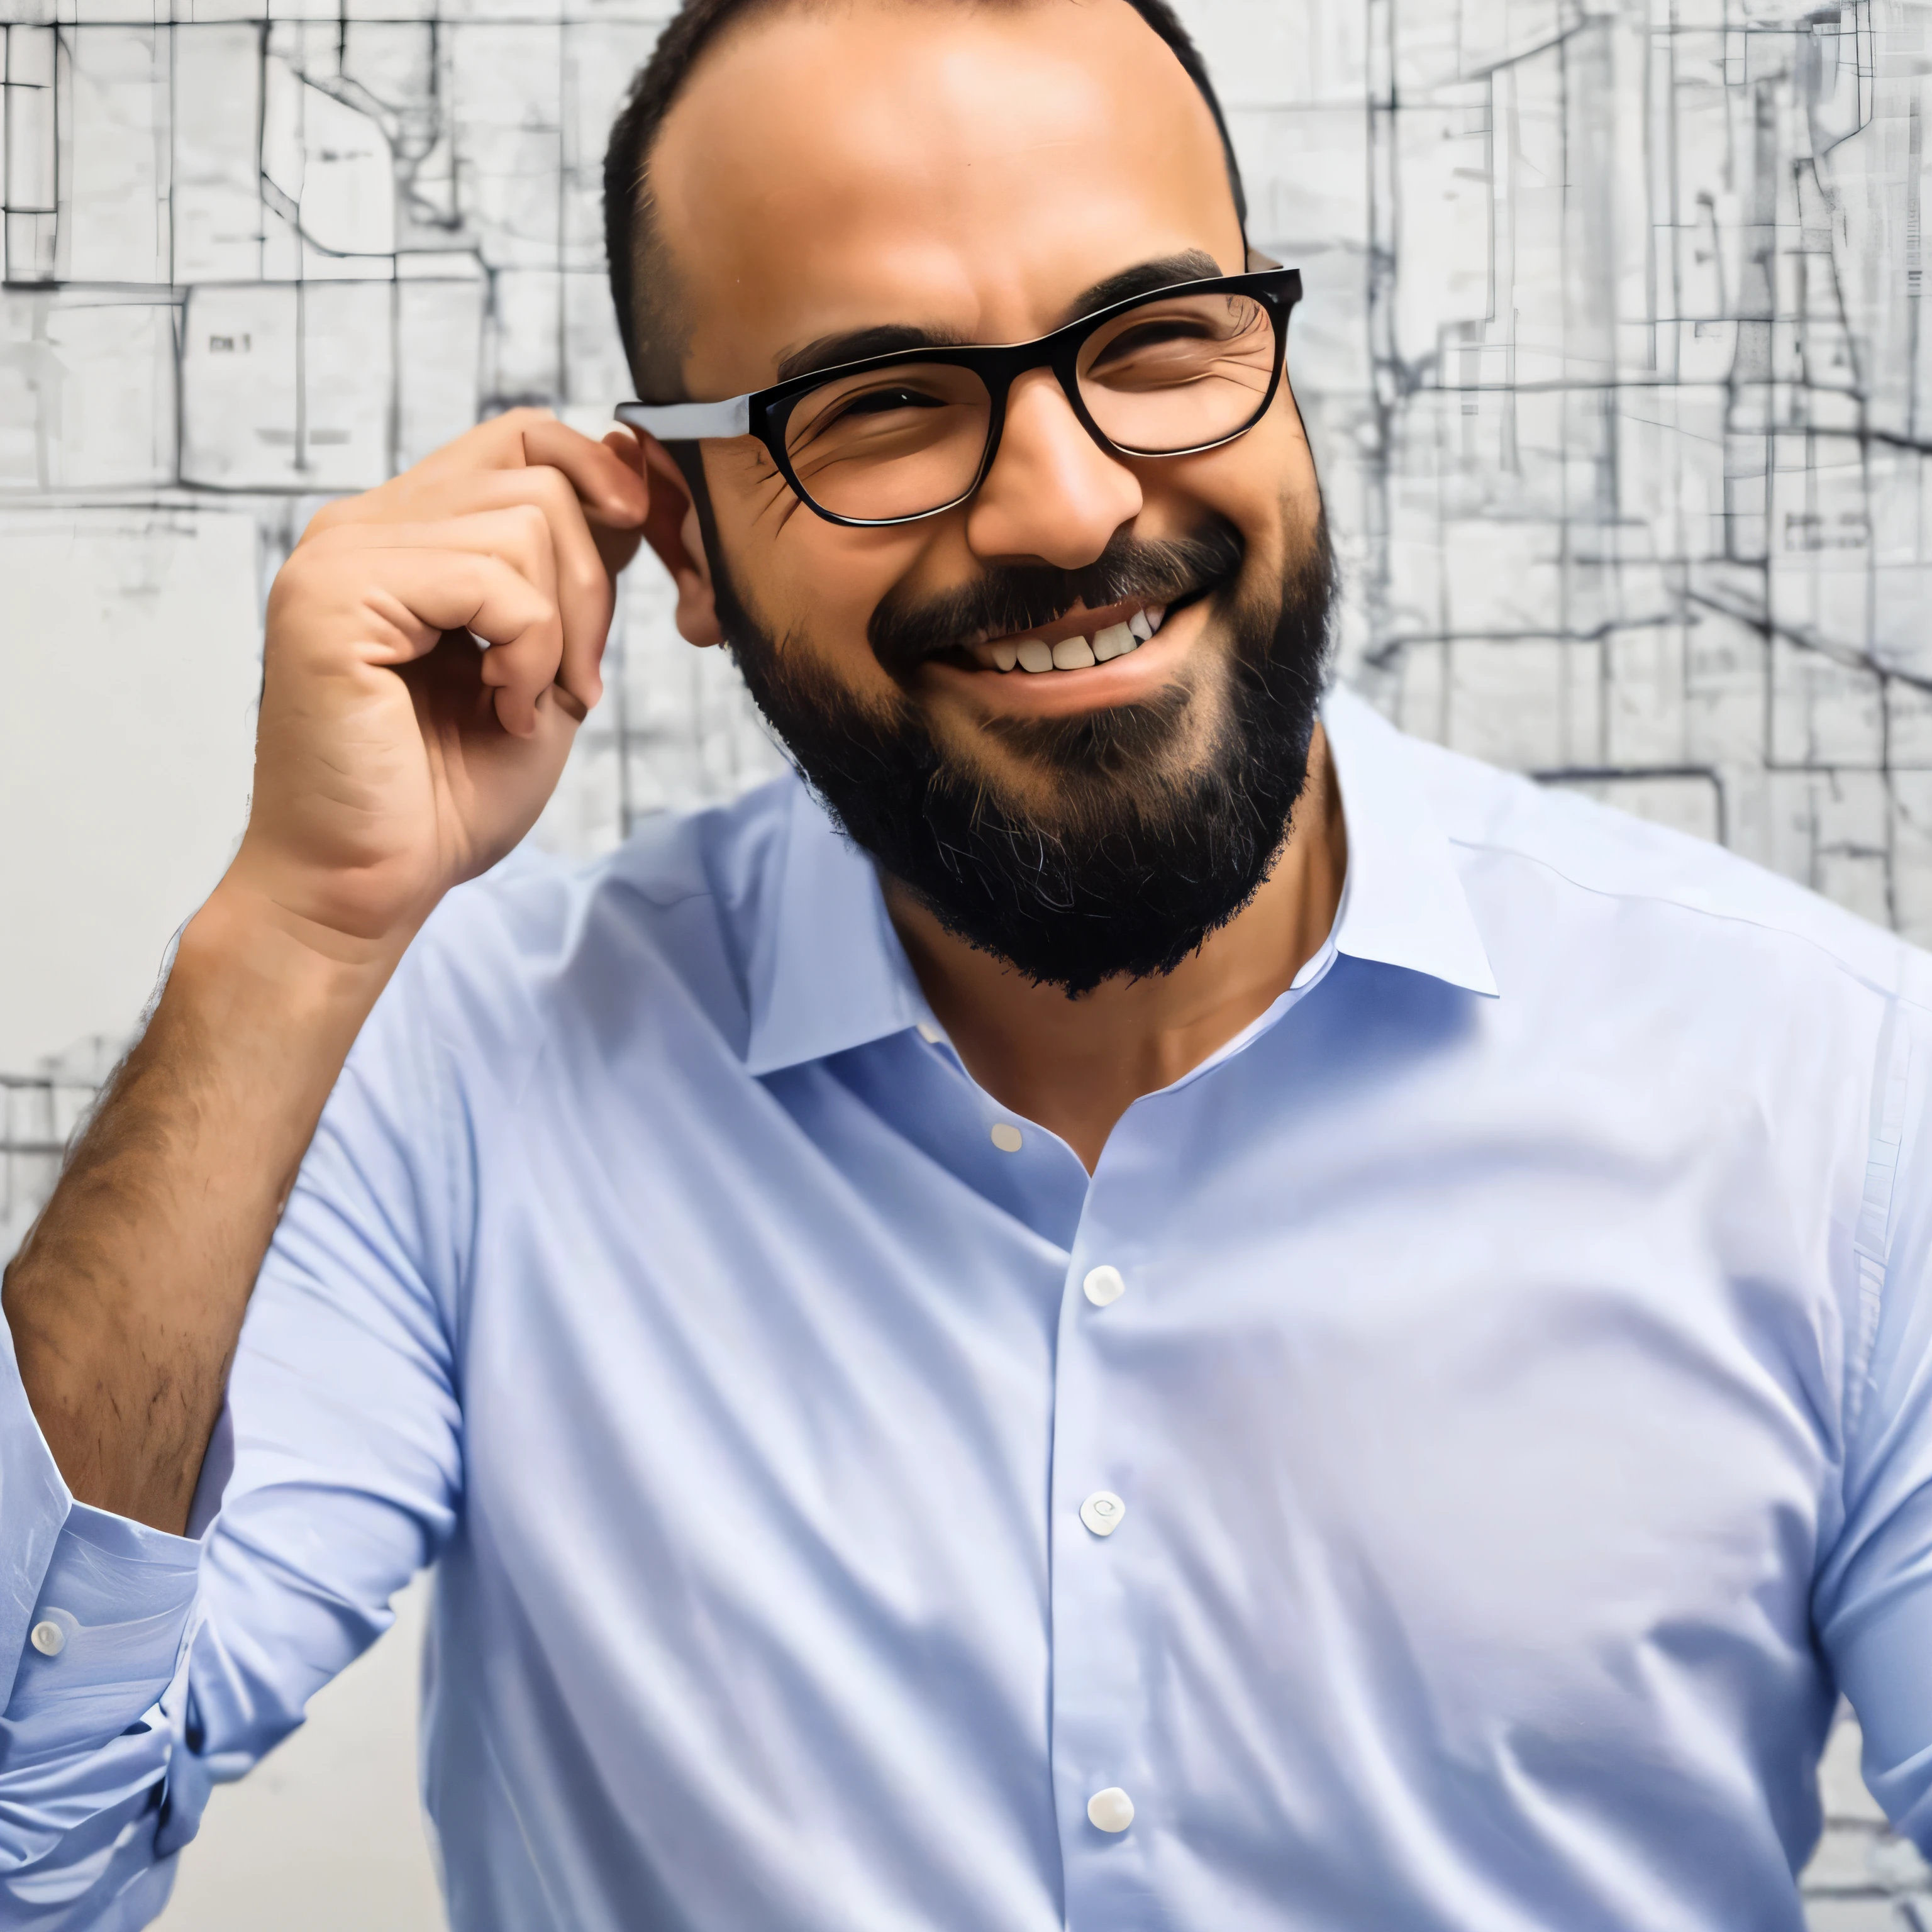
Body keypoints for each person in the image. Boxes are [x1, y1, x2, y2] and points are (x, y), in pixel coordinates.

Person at [0, 0, 1924, 1924]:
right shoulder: (471, 1079)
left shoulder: (1831, 1097)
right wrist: (294, 933)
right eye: (886, 402)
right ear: (677, 537)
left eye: (1161, 342)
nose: (1074, 505)